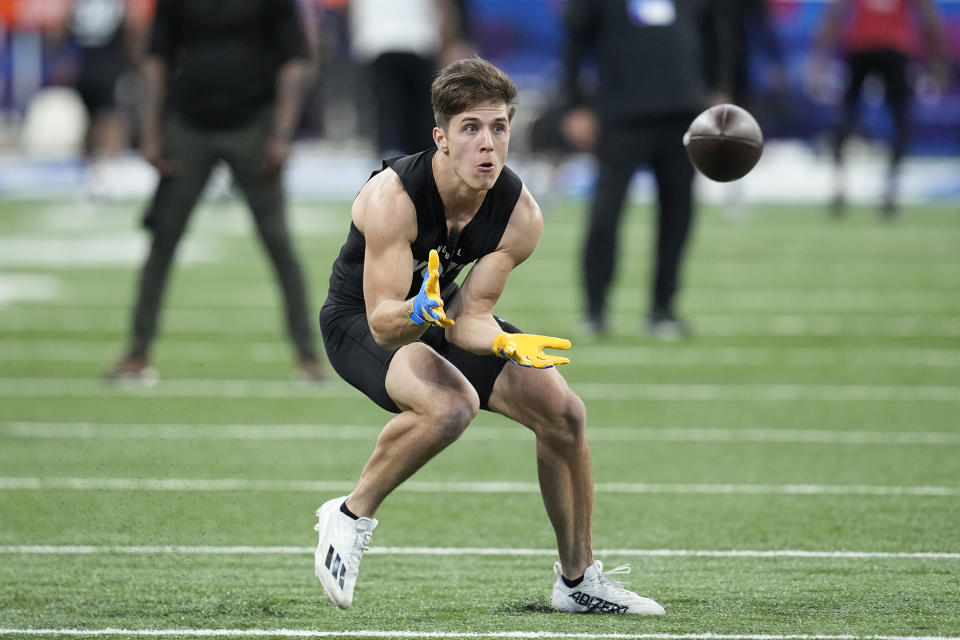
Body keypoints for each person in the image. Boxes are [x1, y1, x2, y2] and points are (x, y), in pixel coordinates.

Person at [313, 56, 665, 615]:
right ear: (442, 139)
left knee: (563, 412)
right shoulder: (393, 197)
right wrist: (422, 308)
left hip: (441, 315)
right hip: (361, 322)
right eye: (470, 128)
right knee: (451, 405)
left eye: (498, 127)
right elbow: (383, 324)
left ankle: (578, 580)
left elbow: (472, 316)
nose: (487, 144)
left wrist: (503, 343)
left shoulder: (519, 214)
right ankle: (351, 514)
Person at [106, 0, 325, 383]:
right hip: (188, 125)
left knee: (278, 242)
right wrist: (151, 127)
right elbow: (157, 56)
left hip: (254, 125)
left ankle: (308, 356)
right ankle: (137, 353)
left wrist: (282, 131)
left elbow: (296, 58)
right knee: (162, 240)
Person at [559, 0, 735, 339]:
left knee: (678, 212)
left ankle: (663, 309)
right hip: (620, 113)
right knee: (605, 212)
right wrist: (573, 104)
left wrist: (719, 88)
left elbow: (717, 32)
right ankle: (595, 310)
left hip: (684, 109)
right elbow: (574, 39)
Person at [810, 0, 949, 218]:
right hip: (894, 48)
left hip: (864, 47)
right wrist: (938, 60)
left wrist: (819, 60)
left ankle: (840, 185)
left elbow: (833, 14)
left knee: (848, 117)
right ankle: (889, 189)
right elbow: (929, 17)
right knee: (898, 120)